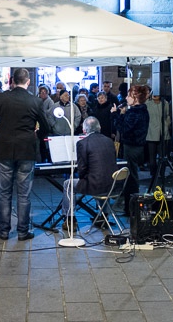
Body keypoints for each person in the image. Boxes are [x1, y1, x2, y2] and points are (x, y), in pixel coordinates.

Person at [0, 68, 50, 241]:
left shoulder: (1, 98)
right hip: (26, 150)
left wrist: (3, 130)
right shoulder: (35, 101)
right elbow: (46, 127)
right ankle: (22, 231)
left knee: (4, 193)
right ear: (28, 81)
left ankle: (4, 231)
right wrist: (35, 135)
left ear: (12, 81)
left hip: (4, 148)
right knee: (24, 194)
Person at [60, 116, 117, 234]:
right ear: (99, 128)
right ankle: (104, 216)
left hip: (95, 185)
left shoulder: (82, 143)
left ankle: (70, 220)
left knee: (68, 184)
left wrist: (83, 178)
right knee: (103, 178)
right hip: (112, 184)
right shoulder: (109, 141)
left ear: (84, 130)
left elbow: (82, 169)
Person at [114, 84, 150, 212]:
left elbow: (124, 129)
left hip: (132, 147)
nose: (126, 98)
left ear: (135, 97)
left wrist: (118, 115)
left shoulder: (135, 112)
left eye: (129, 95)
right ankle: (130, 206)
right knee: (131, 175)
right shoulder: (142, 111)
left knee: (130, 177)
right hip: (136, 146)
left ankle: (131, 208)